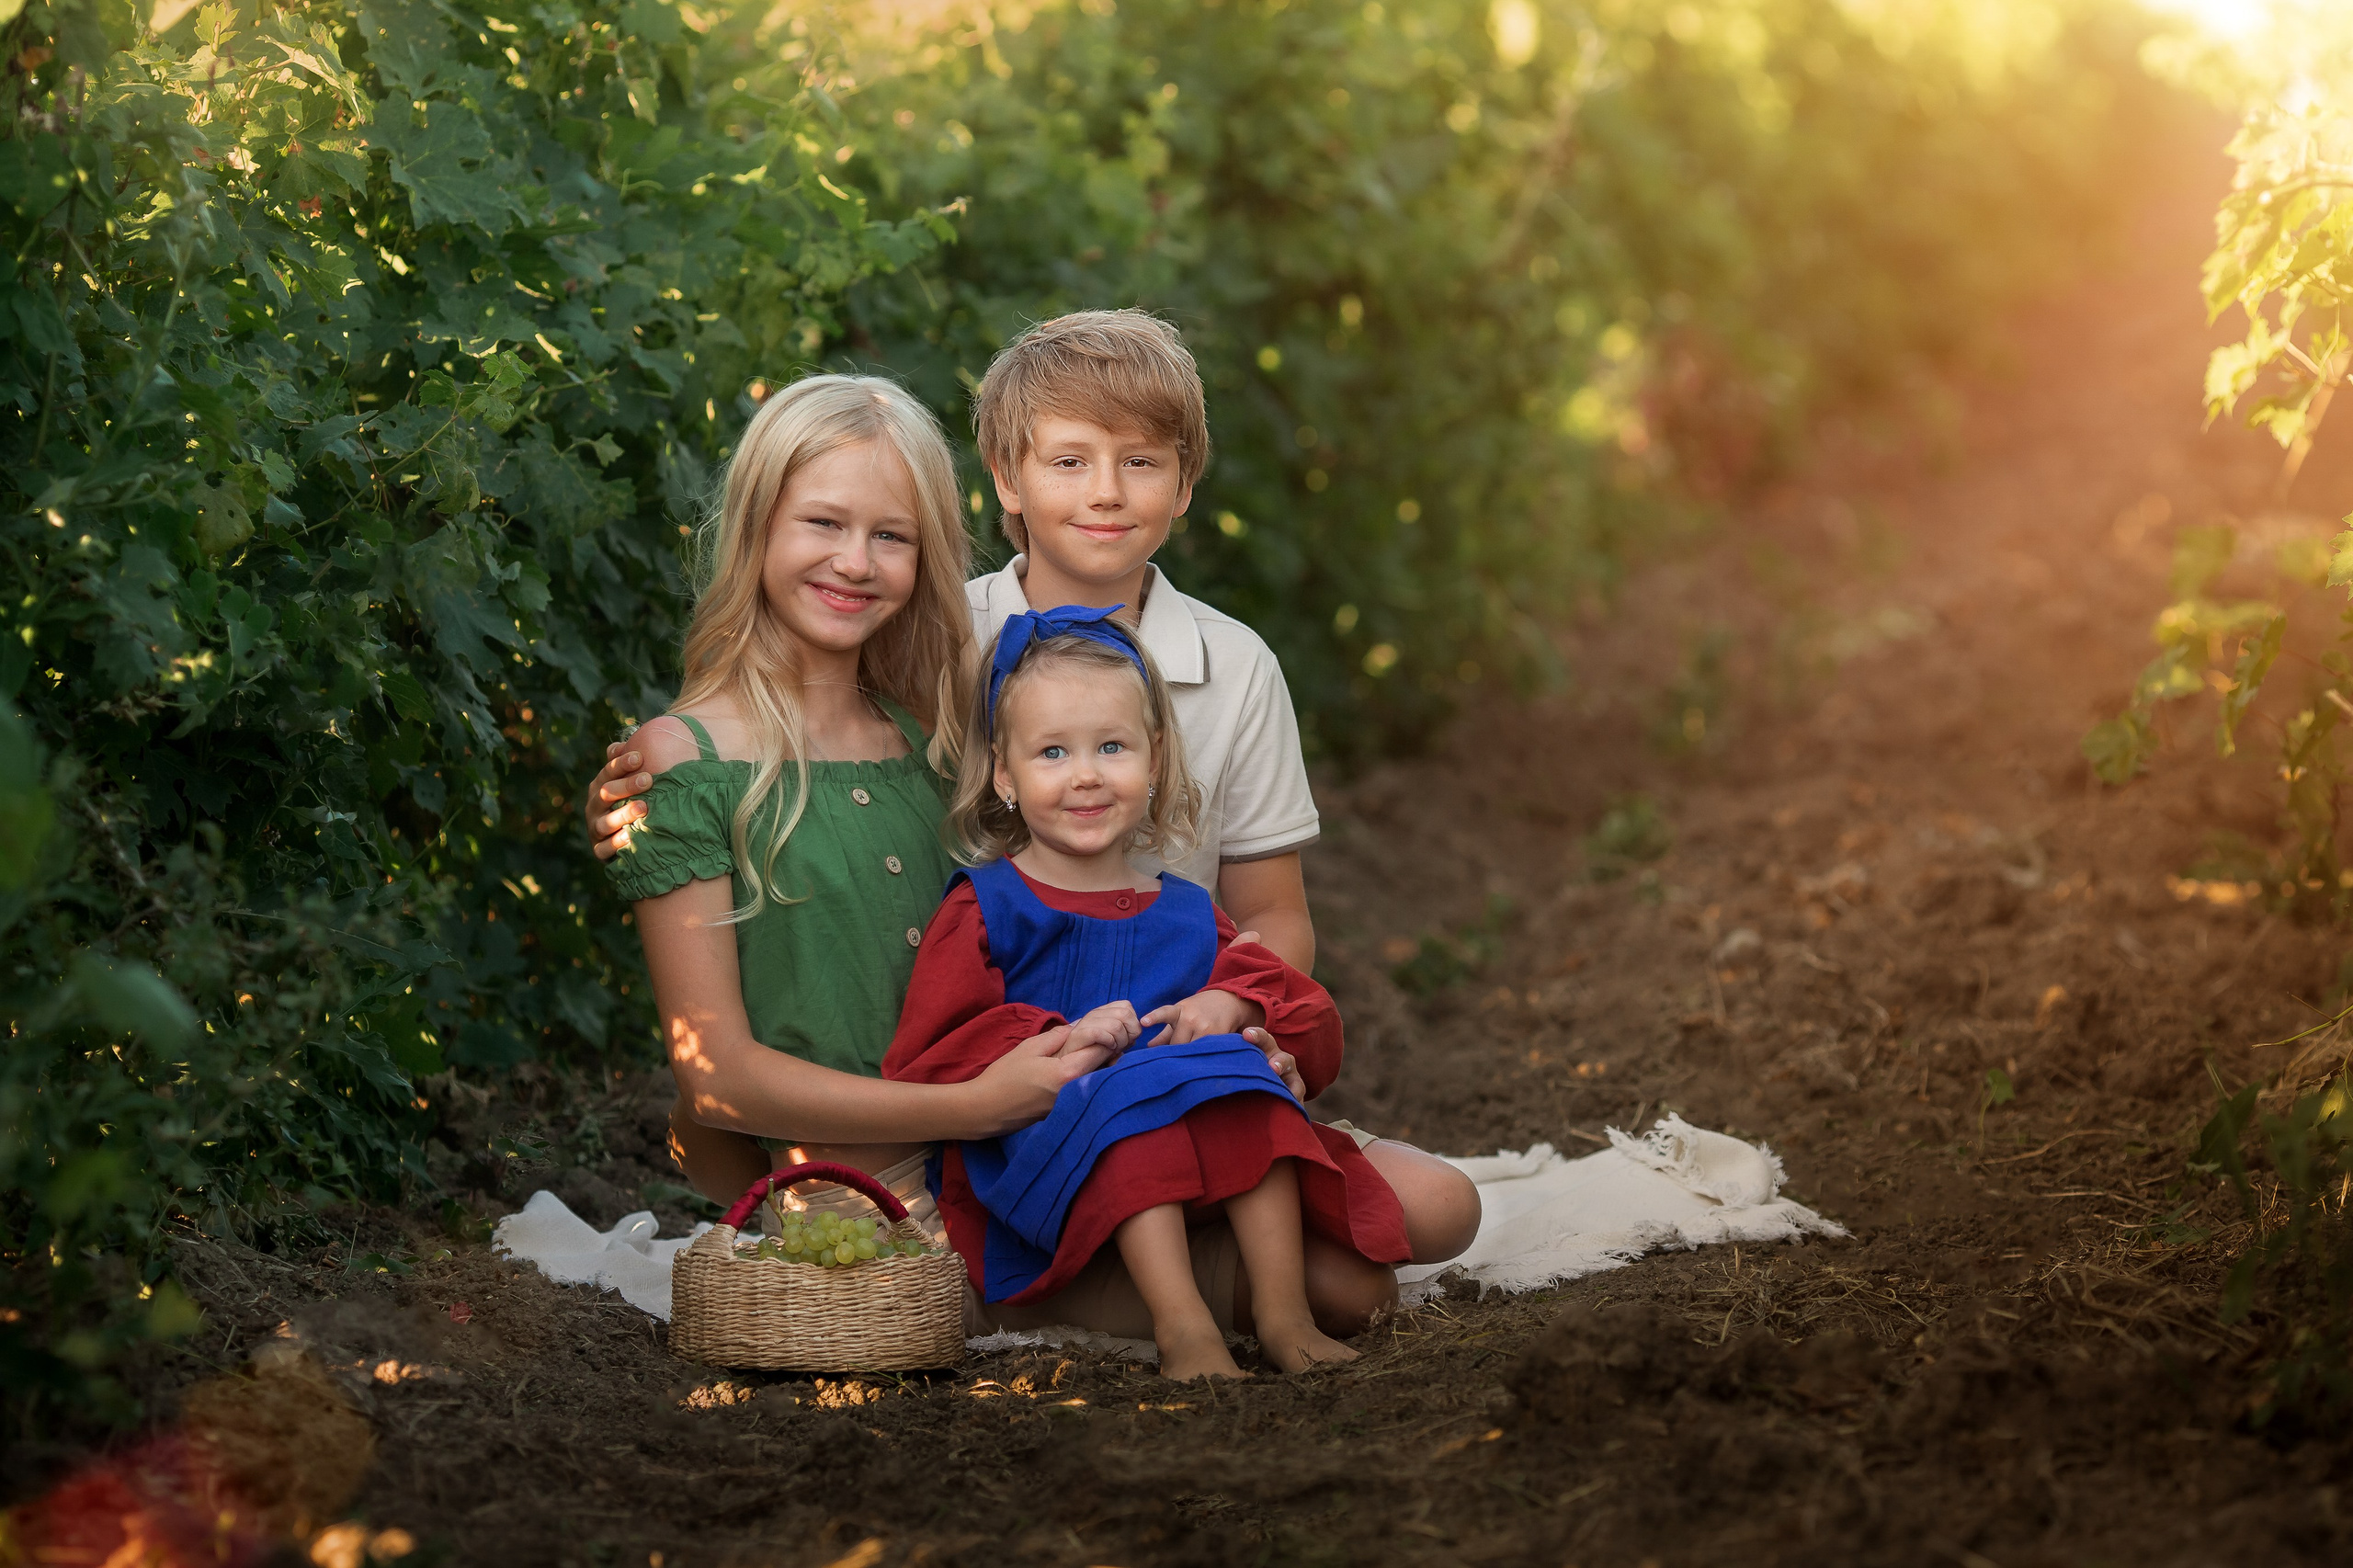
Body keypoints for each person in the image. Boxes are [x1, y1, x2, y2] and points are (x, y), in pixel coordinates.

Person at [586, 311, 1479, 1267]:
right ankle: (1153, 1265)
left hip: (1163, 1031)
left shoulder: (1232, 665)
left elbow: (1275, 914)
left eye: (1139, 462)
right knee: (1339, 1286)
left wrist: (1238, 1008)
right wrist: (647, 791)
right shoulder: (940, 647)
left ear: (1184, 484)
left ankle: (1170, 1240)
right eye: (1068, 462)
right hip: (1003, 1053)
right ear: (1007, 480)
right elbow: (797, 717)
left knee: (1437, 1207)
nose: (1104, 491)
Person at [605, 373, 1111, 1234]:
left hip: (1019, 1148)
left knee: (1382, 1227)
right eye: (824, 523)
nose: (856, 562)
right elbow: (714, 1077)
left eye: (892, 536)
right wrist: (976, 1108)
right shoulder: (686, 762)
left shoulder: (934, 739)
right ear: (759, 522)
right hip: (864, 1201)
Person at [883, 607, 1407, 1378]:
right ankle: (1183, 1328)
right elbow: (934, 1053)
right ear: (1005, 773)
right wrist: (1059, 1040)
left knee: (1246, 1086)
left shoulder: (1189, 912)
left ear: (1155, 758)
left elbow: (1303, 1011)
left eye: (1112, 747)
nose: (1086, 773)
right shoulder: (988, 908)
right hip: (1047, 1157)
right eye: (1053, 752)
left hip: (1193, 1152)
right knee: (1127, 1107)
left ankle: (1282, 1314)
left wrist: (1239, 1007)